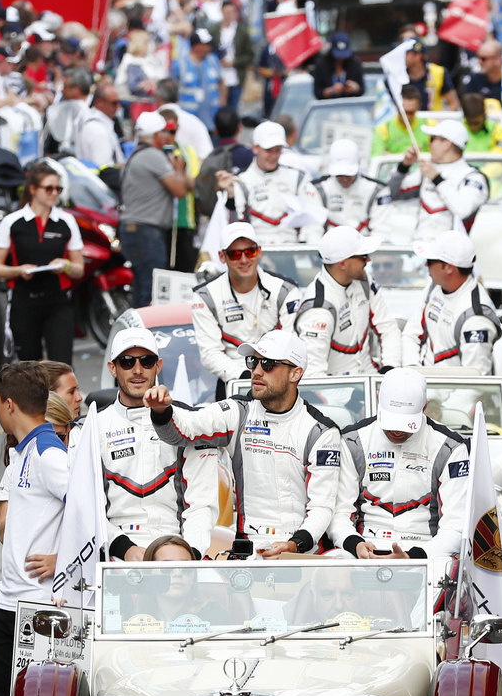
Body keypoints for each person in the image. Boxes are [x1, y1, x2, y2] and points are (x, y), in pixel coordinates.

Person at [147, 330, 343, 558]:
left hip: (302, 552)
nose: (257, 371)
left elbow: (322, 507)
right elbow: (184, 430)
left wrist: (293, 545)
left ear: (295, 373)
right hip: (249, 552)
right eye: (253, 361)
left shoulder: (322, 431)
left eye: (268, 364)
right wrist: (162, 411)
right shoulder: (237, 412)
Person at [0, 361, 67, 696]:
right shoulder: (21, 451)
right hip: (9, 602)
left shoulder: (48, 454)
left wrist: (61, 559)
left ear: (8, 405)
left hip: (38, 607)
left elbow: (95, 514)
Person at [92, 327, 218, 559]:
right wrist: (124, 549)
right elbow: (85, 503)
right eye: (127, 362)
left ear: (158, 365)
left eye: (147, 361)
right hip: (113, 552)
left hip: (177, 548)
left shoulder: (191, 422)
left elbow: (202, 502)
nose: (138, 370)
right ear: (113, 368)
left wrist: (188, 557)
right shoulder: (92, 427)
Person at [333, 368, 469, 561]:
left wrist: (413, 557)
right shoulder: (354, 440)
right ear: (378, 399)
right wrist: (355, 544)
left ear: (425, 406)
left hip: (427, 551)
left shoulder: (451, 448)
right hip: (364, 546)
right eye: (392, 421)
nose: (397, 431)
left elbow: (457, 525)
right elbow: (339, 512)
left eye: (406, 423)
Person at [0, 160, 85, 365]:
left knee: (61, 367)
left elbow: (79, 269)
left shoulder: (67, 221)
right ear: (33, 189)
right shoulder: (12, 221)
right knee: (29, 369)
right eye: (48, 188)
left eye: (58, 189)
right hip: (24, 300)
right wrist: (18, 270)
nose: (54, 193)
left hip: (58, 302)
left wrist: (65, 265)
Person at [191, 224, 293, 392]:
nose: (244, 259)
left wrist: (270, 374)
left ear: (259, 251)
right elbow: (210, 354)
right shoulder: (204, 295)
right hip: (234, 381)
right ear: (222, 257)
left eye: (250, 252)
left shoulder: (285, 290)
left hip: (278, 377)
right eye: (235, 254)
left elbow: (290, 342)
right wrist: (247, 376)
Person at [287, 226, 401, 376]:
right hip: (337, 390)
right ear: (342, 263)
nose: (368, 259)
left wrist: (390, 370)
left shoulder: (364, 280)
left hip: (370, 377)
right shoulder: (318, 309)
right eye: (363, 256)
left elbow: (388, 327)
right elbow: (313, 374)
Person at [118, 110, 191, 307]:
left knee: (143, 286)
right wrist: (178, 169)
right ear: (157, 135)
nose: (167, 137)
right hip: (146, 232)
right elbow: (179, 190)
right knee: (150, 291)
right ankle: (144, 334)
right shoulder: (153, 156)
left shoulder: (135, 156)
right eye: (164, 133)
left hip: (134, 229)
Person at [405, 229, 502, 373]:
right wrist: (411, 371)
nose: (426, 265)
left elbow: (475, 383)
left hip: (450, 392)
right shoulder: (435, 287)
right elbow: (411, 334)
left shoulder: (476, 319)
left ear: (448, 268)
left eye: (430, 261)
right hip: (422, 382)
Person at [384, 119, 489, 240]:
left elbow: (463, 210)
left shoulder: (472, 177)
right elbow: (392, 194)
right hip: (420, 248)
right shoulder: (426, 171)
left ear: (447, 144)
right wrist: (404, 166)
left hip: (451, 253)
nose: (429, 144)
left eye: (432, 139)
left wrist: (436, 179)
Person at [221, 119, 319, 246]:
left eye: (277, 150)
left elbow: (314, 219)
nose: (273, 155)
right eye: (268, 150)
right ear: (255, 148)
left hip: (294, 248)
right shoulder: (240, 181)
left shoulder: (297, 178)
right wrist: (230, 197)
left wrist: (307, 246)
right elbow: (232, 226)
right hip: (256, 252)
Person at [311, 139, 382, 232]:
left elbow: (380, 229)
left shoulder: (375, 189)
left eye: (349, 175)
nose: (345, 179)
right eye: (340, 175)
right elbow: (312, 228)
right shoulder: (319, 189)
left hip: (365, 243)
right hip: (329, 243)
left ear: (359, 163)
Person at [170, 28, 221, 133]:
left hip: (211, 119)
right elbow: (171, 89)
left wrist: (222, 105)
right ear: (196, 45)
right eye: (206, 44)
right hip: (188, 120)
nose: (209, 48)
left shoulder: (213, 60)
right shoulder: (180, 64)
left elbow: (221, 82)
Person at [311, 32, 364, 99]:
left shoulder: (355, 64)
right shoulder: (322, 65)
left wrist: (355, 88)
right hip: (328, 107)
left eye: (344, 55)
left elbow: (362, 89)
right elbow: (317, 92)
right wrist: (331, 90)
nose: (341, 58)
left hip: (350, 106)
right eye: (338, 55)